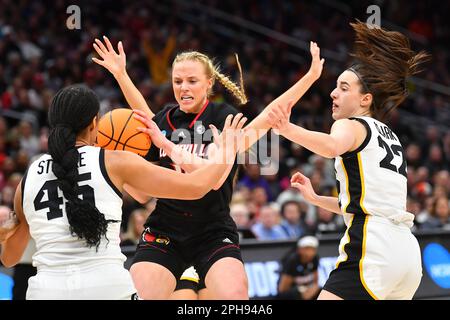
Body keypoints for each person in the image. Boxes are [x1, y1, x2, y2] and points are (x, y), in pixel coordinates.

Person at [92, 36, 324, 299]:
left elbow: (264, 121)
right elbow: (143, 115)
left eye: (192, 81)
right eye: (177, 81)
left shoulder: (222, 118)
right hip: (165, 229)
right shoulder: (165, 121)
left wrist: (310, 77)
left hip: (213, 231)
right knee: (138, 295)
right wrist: (121, 74)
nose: (183, 87)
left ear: (209, 83)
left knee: (234, 296)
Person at [0, 84, 244, 299]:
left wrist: (11, 225)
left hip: (46, 292)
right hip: (106, 288)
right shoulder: (114, 161)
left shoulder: (29, 176)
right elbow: (196, 187)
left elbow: (9, 258)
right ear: (95, 122)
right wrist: (226, 152)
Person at [268, 21, 429, 300]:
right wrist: (316, 198)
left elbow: (331, 147)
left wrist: (287, 129)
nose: (333, 93)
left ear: (365, 99)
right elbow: (369, 202)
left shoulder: (350, 124)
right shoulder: (389, 135)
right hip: (407, 253)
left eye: (343, 88)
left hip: (374, 245)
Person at [277, 236, 320, 300]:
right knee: (296, 293)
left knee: (321, 292)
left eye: (313, 249)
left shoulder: (315, 259)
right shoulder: (292, 261)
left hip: (306, 290)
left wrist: (311, 290)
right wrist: (301, 290)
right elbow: (282, 289)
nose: (310, 252)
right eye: (307, 249)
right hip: (291, 292)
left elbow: (315, 283)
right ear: (300, 249)